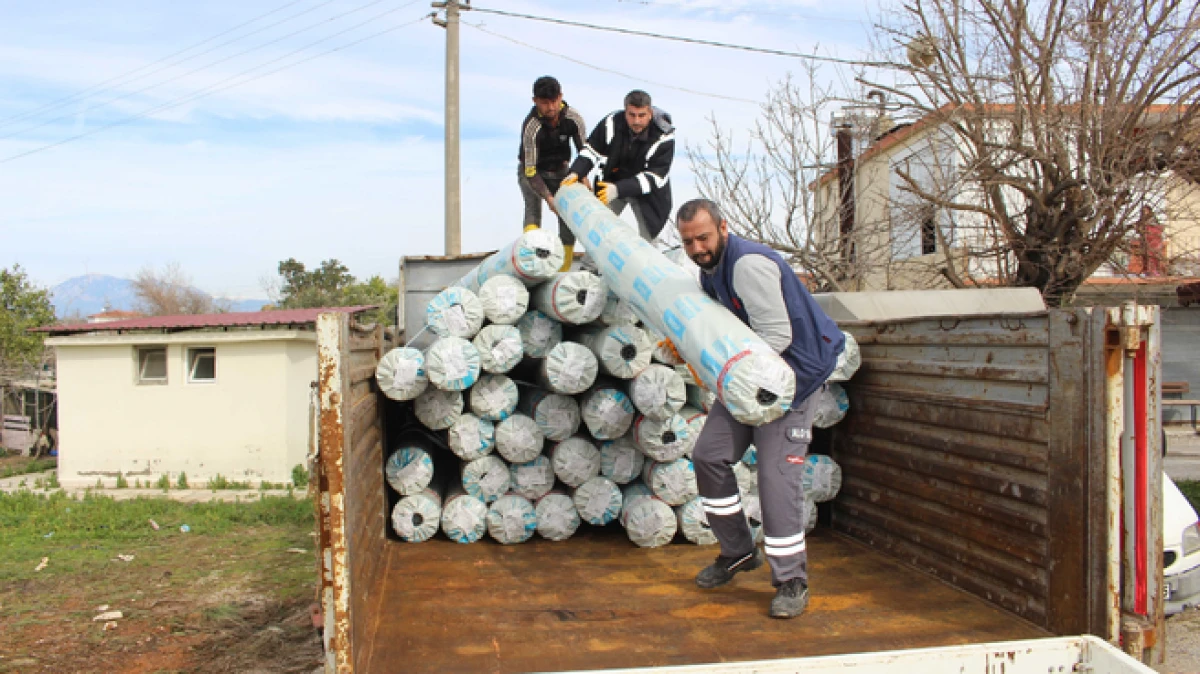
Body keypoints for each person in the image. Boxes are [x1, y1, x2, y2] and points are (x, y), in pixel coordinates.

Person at [677, 198, 845, 619]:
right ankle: (737, 552)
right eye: (688, 241)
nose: (697, 247)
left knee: (775, 478)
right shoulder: (710, 270)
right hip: (752, 380)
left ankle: (791, 579)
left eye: (703, 237)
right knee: (709, 456)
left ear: (723, 228)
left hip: (790, 379)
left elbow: (776, 335)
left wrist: (726, 371)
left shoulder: (747, 265)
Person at [563, 90, 674, 242]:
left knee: (648, 239)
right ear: (625, 111)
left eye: (641, 115)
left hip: (648, 193)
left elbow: (655, 177)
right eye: (631, 115)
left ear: (650, 112)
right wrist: (576, 171)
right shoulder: (611, 122)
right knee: (598, 226)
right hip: (612, 181)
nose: (636, 121)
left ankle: (644, 265)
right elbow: (591, 149)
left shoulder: (664, 135)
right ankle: (589, 265)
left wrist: (618, 190)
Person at [518, 76, 588, 272]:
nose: (550, 107)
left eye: (554, 101)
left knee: (568, 217)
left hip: (561, 171)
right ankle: (531, 264)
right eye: (544, 103)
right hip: (533, 172)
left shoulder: (574, 118)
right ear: (535, 102)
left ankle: (562, 272)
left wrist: (583, 177)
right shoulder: (532, 127)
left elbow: (585, 152)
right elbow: (530, 170)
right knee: (533, 209)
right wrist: (549, 198)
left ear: (561, 97)